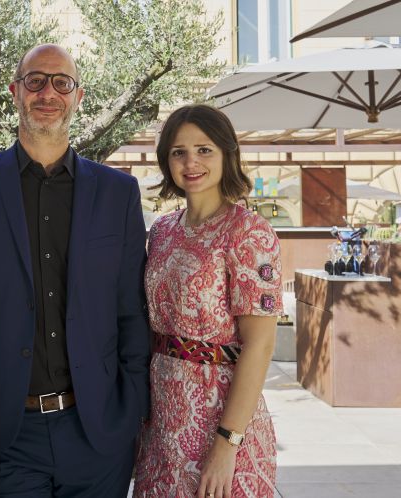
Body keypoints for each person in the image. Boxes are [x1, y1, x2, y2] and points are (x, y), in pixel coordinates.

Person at [0, 43, 151, 497]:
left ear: (78, 97)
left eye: (62, 83)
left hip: (99, 430)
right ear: (15, 91)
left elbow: (130, 306)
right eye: (35, 81)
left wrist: (133, 401)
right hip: (7, 429)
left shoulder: (119, 193)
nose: (48, 92)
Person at [133, 104, 282, 498]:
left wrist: (226, 443)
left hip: (220, 417)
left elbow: (261, 344)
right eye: (178, 152)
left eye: (204, 149)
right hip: (162, 419)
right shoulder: (162, 231)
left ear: (226, 154)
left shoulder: (249, 232)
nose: (190, 162)